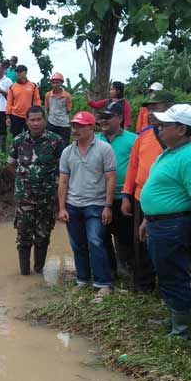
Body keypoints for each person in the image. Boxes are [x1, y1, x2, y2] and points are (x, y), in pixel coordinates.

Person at [121, 90, 191, 292]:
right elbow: (134, 167)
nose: (152, 114)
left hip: (174, 218)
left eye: (156, 109)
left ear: (180, 128)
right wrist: (129, 197)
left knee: (173, 267)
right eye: (149, 109)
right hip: (149, 210)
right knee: (148, 254)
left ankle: (177, 312)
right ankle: (149, 290)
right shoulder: (150, 139)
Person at [138, 104, 191, 339]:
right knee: (165, 273)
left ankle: (181, 330)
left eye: (164, 125)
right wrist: (148, 219)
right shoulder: (169, 152)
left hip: (172, 226)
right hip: (160, 223)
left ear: (180, 129)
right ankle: (173, 317)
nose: (158, 128)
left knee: (174, 275)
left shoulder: (189, 157)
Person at [58, 111, 117, 295]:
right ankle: (82, 280)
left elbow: (111, 179)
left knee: (95, 241)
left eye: (80, 126)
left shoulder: (104, 149)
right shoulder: (67, 151)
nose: (75, 129)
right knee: (77, 244)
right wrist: (61, 208)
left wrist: (108, 206)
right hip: (73, 205)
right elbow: (63, 181)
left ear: (92, 127)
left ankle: (103, 283)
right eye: (74, 125)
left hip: (96, 204)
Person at [8, 106, 64, 275]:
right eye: (32, 120)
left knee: (43, 236)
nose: (36, 123)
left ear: (44, 120)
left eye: (39, 119)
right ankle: (24, 274)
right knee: (23, 237)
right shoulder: (19, 140)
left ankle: (39, 271)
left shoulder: (56, 141)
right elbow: (11, 164)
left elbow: (64, 169)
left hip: (47, 199)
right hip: (24, 199)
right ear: (27, 121)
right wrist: (22, 179)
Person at [96, 101, 137, 278]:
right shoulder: (95, 139)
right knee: (101, 237)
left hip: (124, 198)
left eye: (108, 117)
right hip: (100, 198)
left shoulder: (134, 140)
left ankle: (128, 271)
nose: (103, 121)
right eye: (101, 117)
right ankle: (109, 272)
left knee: (126, 238)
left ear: (120, 118)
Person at [6, 65, 42, 137]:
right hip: (15, 115)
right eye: (17, 72)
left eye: (20, 72)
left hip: (29, 116)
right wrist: (8, 117)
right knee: (16, 135)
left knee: (31, 135)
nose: (18, 74)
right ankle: (16, 148)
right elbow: (9, 102)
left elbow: (37, 100)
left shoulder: (33, 86)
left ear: (25, 72)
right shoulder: (12, 87)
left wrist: (38, 113)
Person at [44, 72, 72, 146]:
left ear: (61, 83)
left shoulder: (67, 95)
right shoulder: (48, 95)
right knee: (50, 143)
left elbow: (68, 110)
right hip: (51, 122)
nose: (55, 84)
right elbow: (47, 109)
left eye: (57, 82)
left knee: (64, 143)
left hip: (64, 124)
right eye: (53, 82)